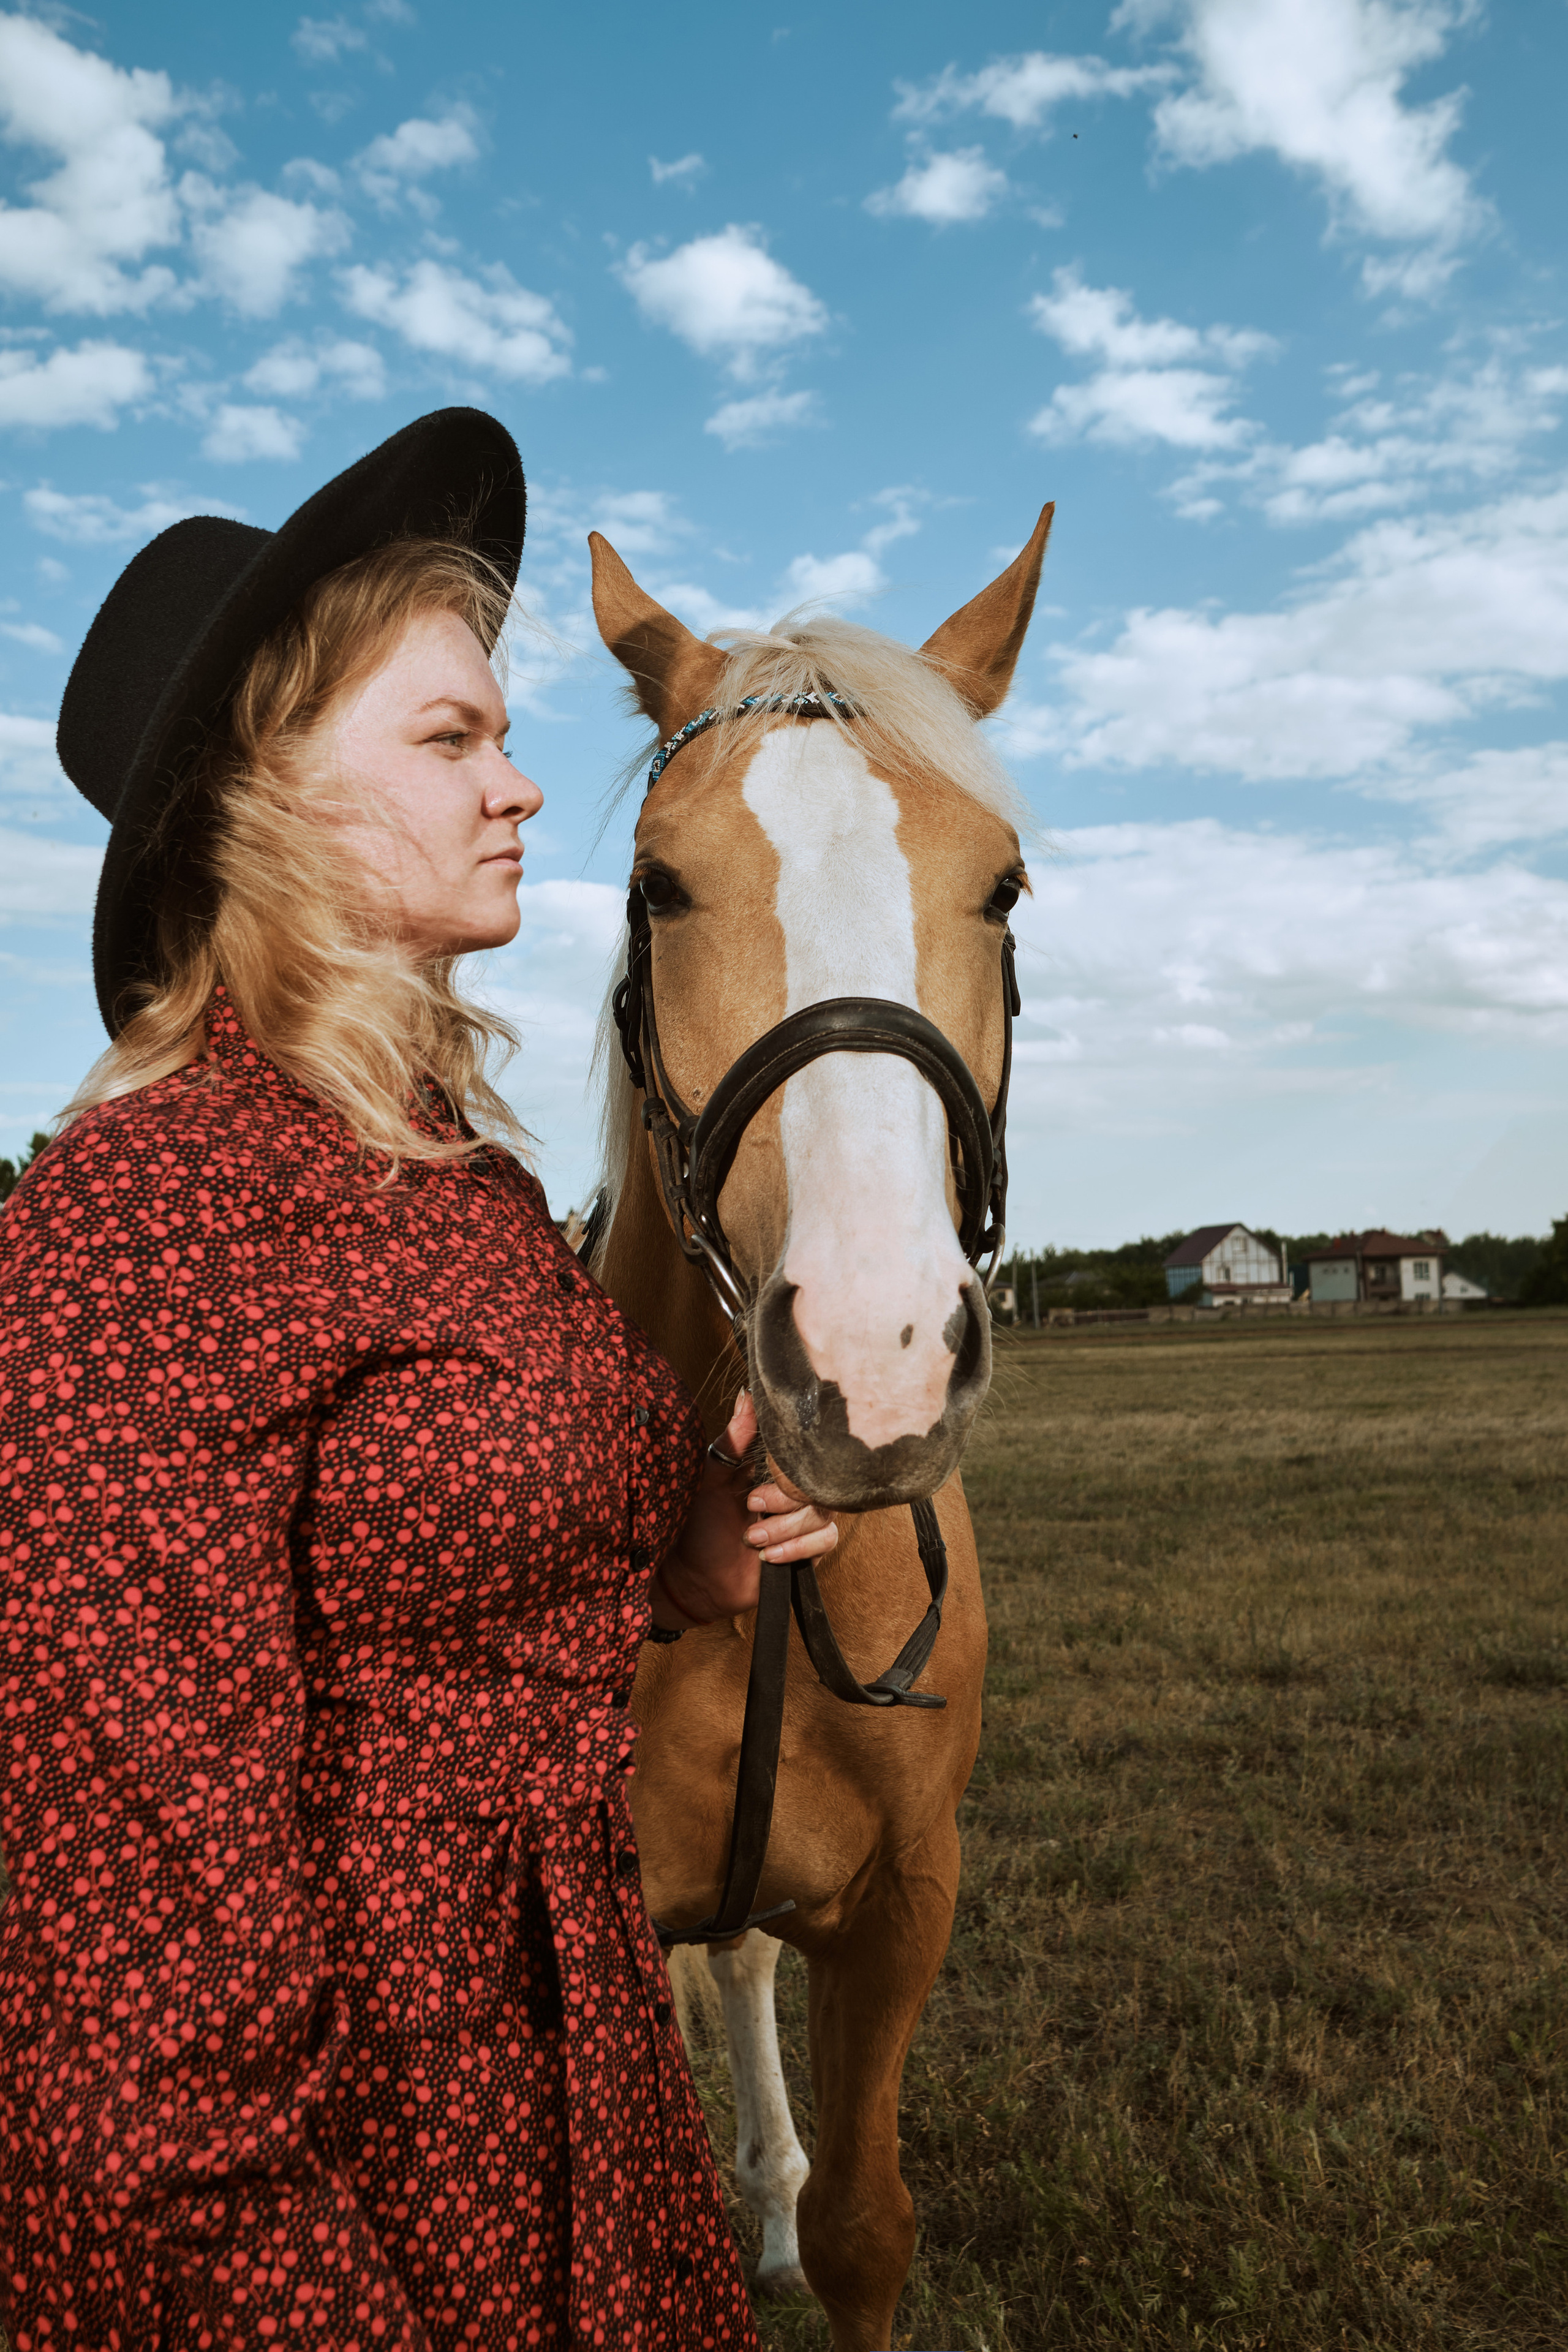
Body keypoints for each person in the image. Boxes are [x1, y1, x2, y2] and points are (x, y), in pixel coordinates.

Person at [0, 409, 838, 2350]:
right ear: (259, 796)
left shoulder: (465, 1186)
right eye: (451, 740)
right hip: (350, 2170)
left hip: (582, 2101)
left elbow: (420, 1601)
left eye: (503, 733)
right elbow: (126, 2014)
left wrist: (681, 1547)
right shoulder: (146, 1214)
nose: (526, 785)